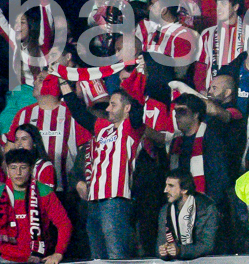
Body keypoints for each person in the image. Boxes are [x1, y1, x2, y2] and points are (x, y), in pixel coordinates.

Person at [61, 86, 142, 259]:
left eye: (113, 105)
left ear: (127, 108)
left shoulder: (131, 128)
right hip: (94, 202)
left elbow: (138, 111)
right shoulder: (103, 129)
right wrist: (63, 82)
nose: (107, 109)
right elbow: (79, 112)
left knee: (116, 255)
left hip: (115, 200)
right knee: (98, 257)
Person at [0, 148, 70, 264]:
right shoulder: (1, 191)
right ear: (7, 169)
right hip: (5, 258)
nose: (18, 172)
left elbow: (64, 223)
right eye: (13, 168)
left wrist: (58, 253)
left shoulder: (43, 191)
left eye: (23, 167)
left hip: (38, 258)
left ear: (31, 169)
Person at [167, 94, 233, 214]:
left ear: (196, 114)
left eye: (182, 111)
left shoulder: (211, 137)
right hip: (181, 209)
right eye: (176, 111)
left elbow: (219, 177)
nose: (177, 116)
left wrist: (211, 208)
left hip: (207, 208)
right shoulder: (176, 142)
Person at [156, 168, 218, 259]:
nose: (165, 190)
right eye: (166, 185)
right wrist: (163, 251)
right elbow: (161, 243)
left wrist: (180, 251)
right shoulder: (165, 210)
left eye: (171, 186)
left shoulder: (206, 208)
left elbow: (207, 245)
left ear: (184, 189)